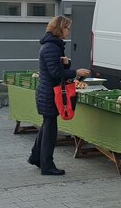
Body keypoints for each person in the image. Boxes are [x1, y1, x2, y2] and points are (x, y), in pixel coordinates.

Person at [30, 16, 89, 176]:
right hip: (50, 92)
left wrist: (66, 64)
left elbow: (57, 67)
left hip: (48, 91)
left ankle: (36, 157)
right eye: (67, 28)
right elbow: (55, 72)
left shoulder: (53, 45)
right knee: (50, 129)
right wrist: (75, 72)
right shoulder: (51, 47)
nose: (69, 31)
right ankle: (47, 165)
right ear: (60, 28)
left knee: (46, 126)